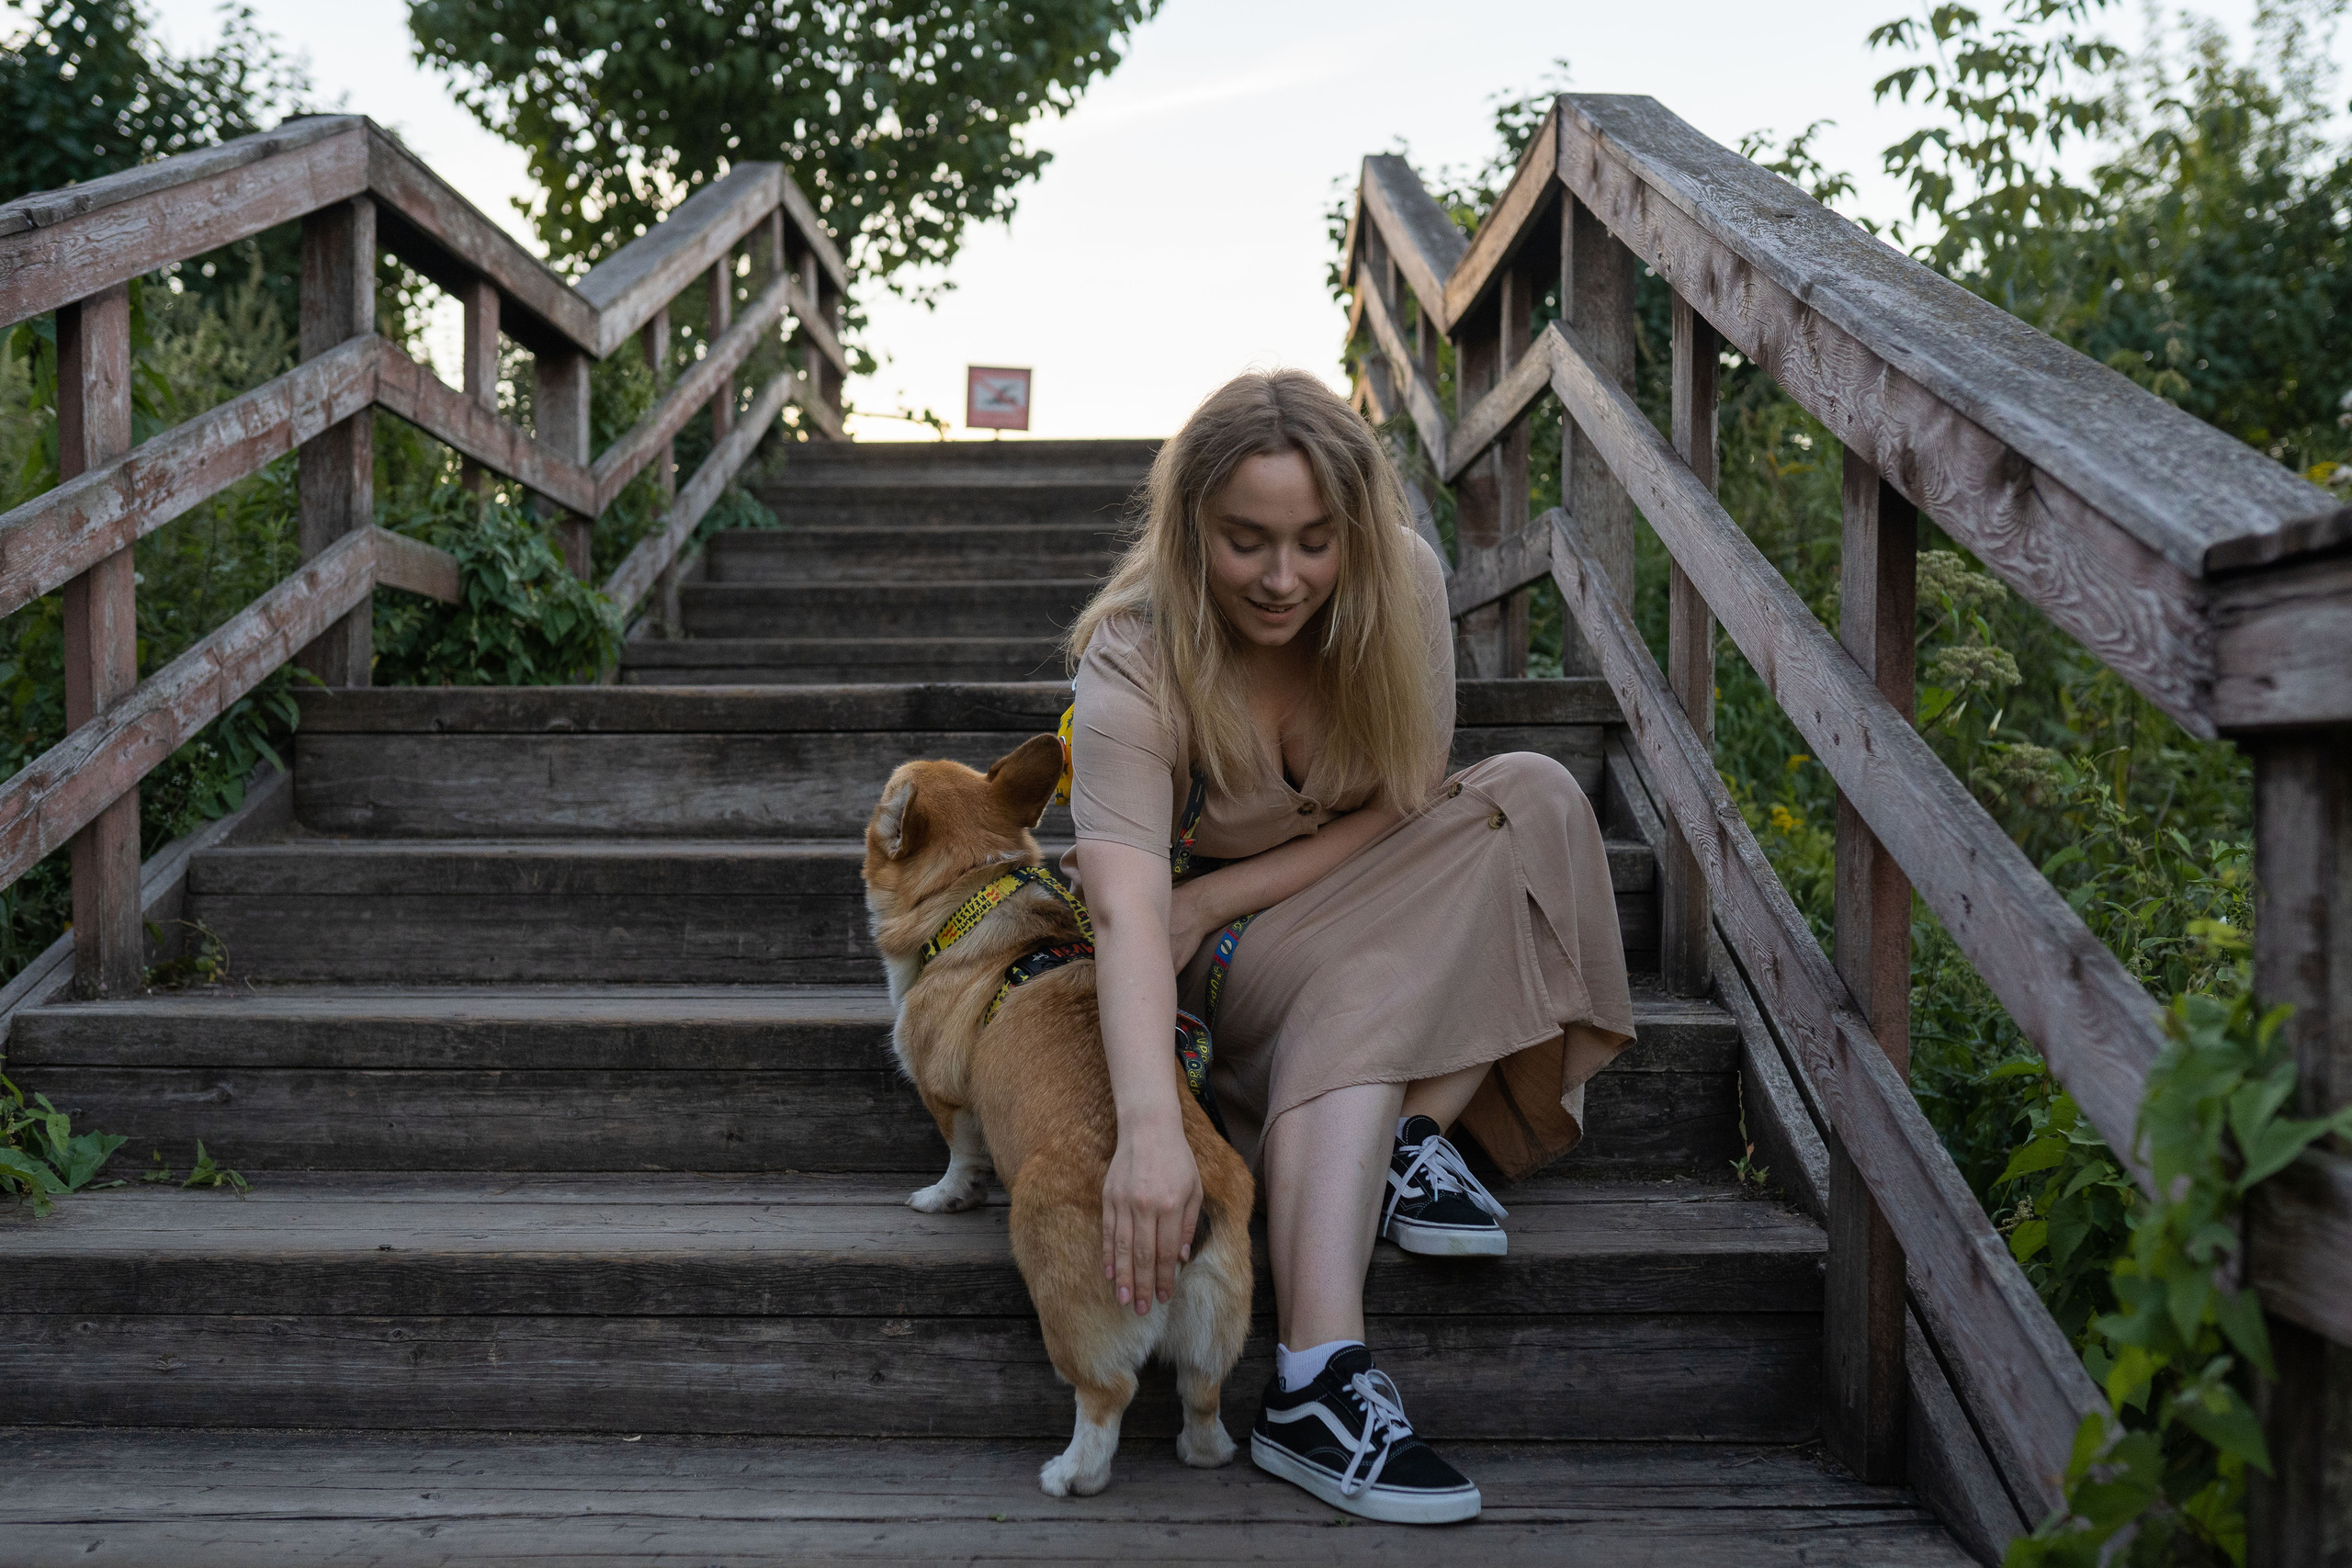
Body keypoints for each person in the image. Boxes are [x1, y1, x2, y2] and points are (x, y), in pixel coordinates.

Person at [1060, 369, 1635, 1524]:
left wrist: (1217, 897)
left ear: (1357, 531)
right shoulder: (1132, 659)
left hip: (1305, 905)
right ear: (1188, 532)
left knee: (1529, 792)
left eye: (1316, 542)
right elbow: (1129, 913)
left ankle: (1406, 1132)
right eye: (1247, 542)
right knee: (1373, 966)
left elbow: (1409, 797)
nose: (1284, 579)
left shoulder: (1402, 586)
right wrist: (1149, 1134)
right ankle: (1318, 1378)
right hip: (1243, 981)